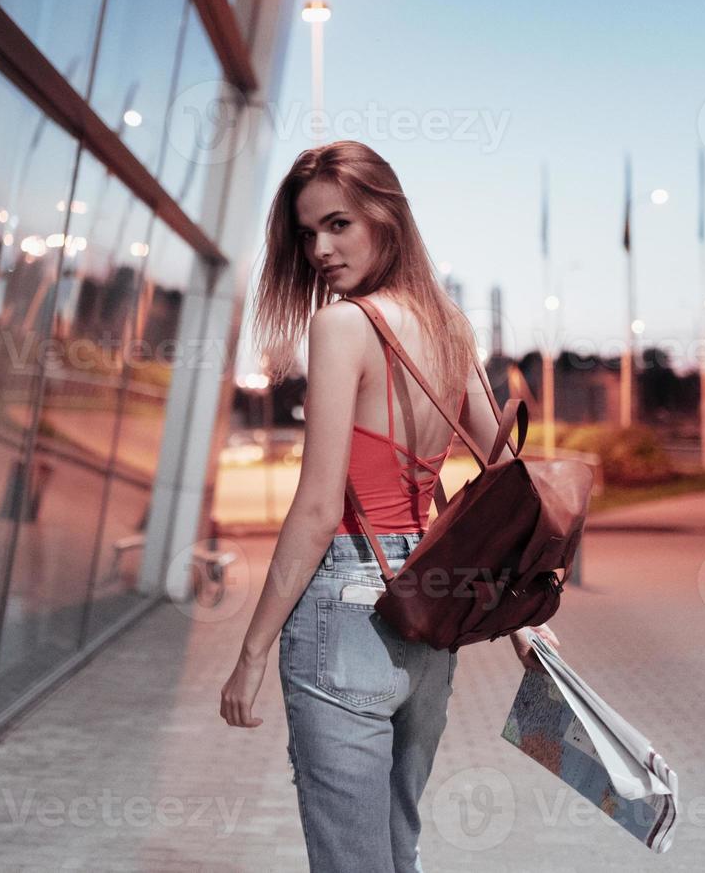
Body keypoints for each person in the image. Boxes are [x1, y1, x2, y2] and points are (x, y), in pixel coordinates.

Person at [218, 140, 559, 872]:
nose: (319, 249)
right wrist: (520, 621)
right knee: (397, 848)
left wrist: (250, 655)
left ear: (387, 214)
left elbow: (316, 513)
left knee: (351, 860)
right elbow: (506, 487)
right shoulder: (450, 329)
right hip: (430, 607)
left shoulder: (342, 327)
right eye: (308, 233)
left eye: (338, 224)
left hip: (345, 612)